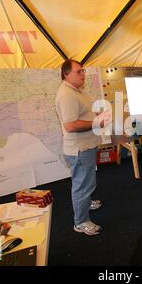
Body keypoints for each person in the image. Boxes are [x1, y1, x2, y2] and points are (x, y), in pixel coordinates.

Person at [55, 59, 109, 236]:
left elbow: (84, 113)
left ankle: (85, 202)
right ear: (66, 74)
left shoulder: (77, 91)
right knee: (82, 185)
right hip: (79, 149)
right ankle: (81, 222)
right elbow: (70, 125)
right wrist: (96, 121)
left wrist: (98, 116)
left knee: (86, 181)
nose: (83, 74)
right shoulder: (67, 95)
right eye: (79, 72)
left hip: (86, 146)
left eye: (83, 71)